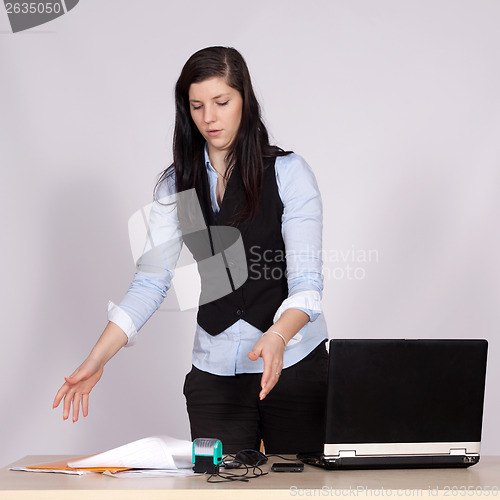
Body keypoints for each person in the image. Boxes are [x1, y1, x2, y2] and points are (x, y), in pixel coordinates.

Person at [53, 46, 328, 454]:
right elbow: (150, 283)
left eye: (221, 102)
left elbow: (306, 285)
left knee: (300, 489)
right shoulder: (177, 186)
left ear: (244, 101)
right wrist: (97, 359)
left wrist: (277, 336)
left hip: (294, 364)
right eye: (197, 106)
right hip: (214, 370)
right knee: (217, 488)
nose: (209, 118)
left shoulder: (289, 174)